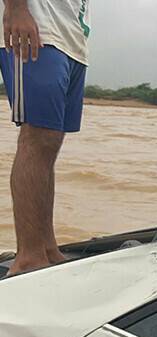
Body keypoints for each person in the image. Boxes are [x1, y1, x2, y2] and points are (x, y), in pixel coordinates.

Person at [0, 0, 91, 276]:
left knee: (50, 143)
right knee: (37, 138)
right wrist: (16, 8)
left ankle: (47, 247)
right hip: (39, 28)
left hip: (72, 37)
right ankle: (28, 256)